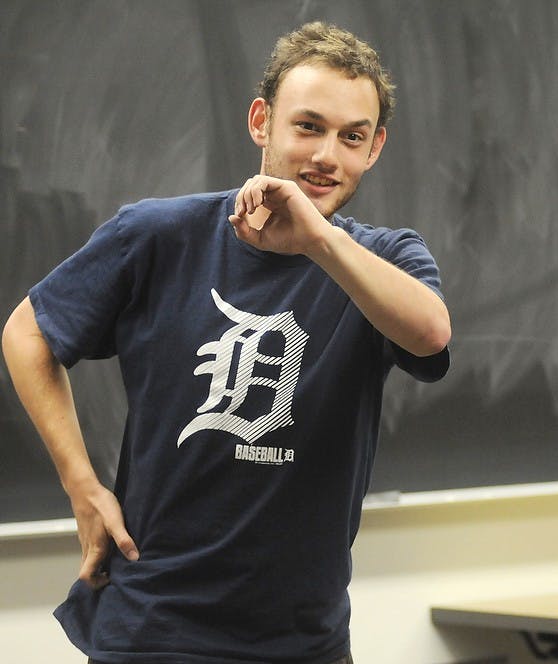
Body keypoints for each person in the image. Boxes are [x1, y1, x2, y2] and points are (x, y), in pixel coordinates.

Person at [1, 21, 450, 664]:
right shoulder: (159, 235)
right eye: (308, 127)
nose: (328, 155)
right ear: (261, 121)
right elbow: (27, 331)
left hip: (305, 639)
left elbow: (431, 335)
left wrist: (319, 241)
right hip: (156, 627)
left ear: (375, 147)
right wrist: (80, 483)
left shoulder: (384, 257)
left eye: (352, 137)